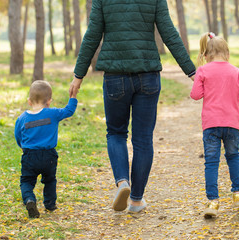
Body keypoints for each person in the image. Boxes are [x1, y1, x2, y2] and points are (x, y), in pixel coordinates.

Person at [69, 0, 196, 213]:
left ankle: (122, 182)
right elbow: (169, 33)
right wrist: (192, 72)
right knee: (143, 139)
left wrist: (78, 75)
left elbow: (92, 35)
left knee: (116, 133)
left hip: (115, 77)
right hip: (148, 75)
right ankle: (136, 200)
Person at [190, 32, 239, 218]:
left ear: (206, 55)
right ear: (227, 54)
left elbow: (195, 95)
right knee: (233, 157)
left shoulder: (203, 71)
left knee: (211, 162)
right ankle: (238, 194)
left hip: (211, 126)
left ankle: (213, 202)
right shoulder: (236, 71)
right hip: (232, 124)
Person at [15, 80, 77, 218]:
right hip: (49, 156)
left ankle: (30, 199)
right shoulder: (53, 113)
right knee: (49, 180)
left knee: (26, 181)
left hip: (30, 155)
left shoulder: (22, 118)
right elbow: (69, 110)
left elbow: (18, 136)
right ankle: (50, 204)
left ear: (29, 101)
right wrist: (73, 97)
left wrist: (22, 147)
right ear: (49, 101)